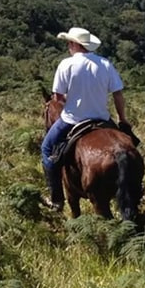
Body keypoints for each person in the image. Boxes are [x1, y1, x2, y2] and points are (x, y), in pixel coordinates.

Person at [40, 26, 130, 212]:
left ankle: (57, 200)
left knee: (46, 149)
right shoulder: (105, 64)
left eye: (69, 43)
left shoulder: (66, 64)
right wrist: (122, 119)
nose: (68, 46)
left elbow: (57, 98)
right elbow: (118, 95)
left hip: (72, 120)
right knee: (129, 147)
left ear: (74, 44)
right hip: (103, 119)